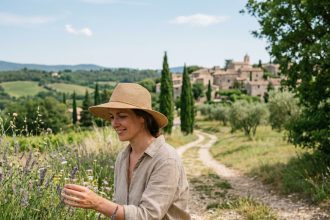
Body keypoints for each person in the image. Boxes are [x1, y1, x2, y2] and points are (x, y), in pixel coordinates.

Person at [61, 83, 191, 220]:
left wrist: (97, 203)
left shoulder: (166, 159)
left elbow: (148, 216)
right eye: (112, 117)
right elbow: (120, 210)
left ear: (143, 118)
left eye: (122, 116)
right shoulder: (123, 157)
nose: (114, 123)